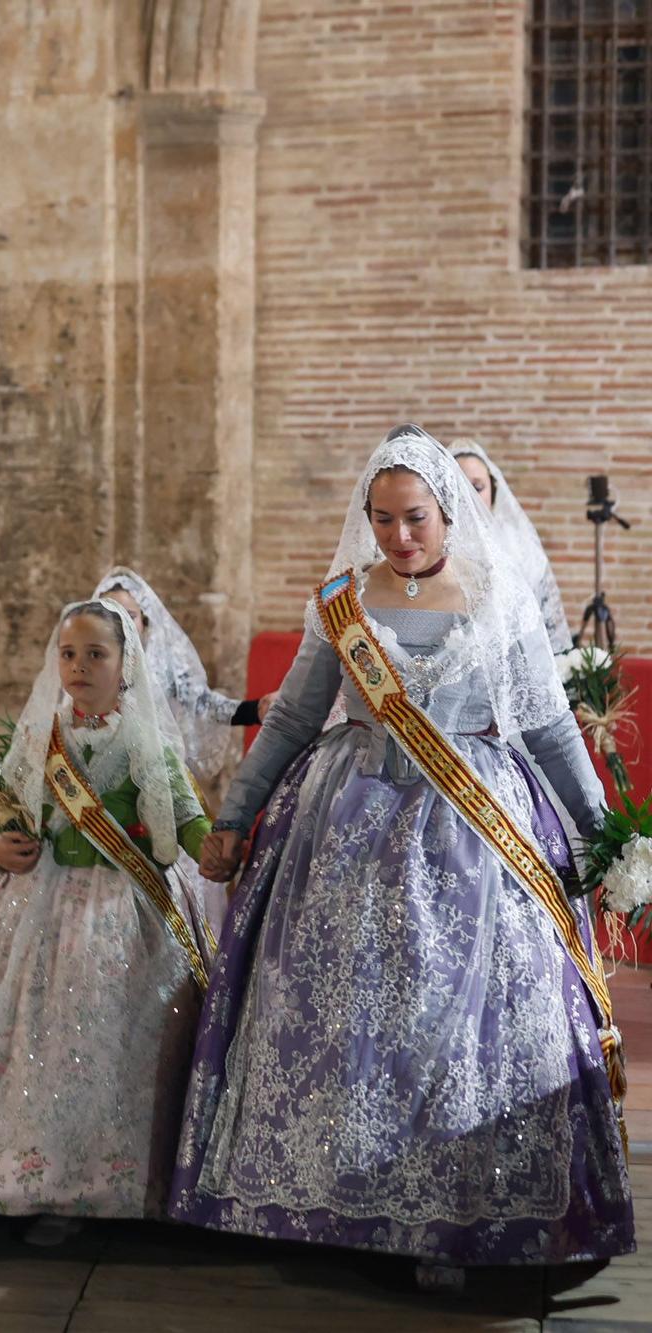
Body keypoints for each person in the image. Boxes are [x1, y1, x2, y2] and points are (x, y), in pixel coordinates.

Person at [174, 426, 632, 1290]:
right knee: (354, 1026)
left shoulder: (496, 601)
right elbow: (292, 719)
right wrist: (234, 817)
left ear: (448, 510)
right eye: (382, 520)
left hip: (476, 834)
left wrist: (605, 831)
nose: (399, 537)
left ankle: (462, 1216)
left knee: (463, 1032)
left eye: (415, 517)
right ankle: (344, 1210)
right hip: (348, 833)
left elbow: (549, 727)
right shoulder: (341, 601)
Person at [0, 597, 211, 1245]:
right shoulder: (39, 735)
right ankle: (23, 1176)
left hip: (120, 916)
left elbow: (185, 816)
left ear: (126, 665)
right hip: (35, 911)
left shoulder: (144, 739)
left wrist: (221, 844)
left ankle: (99, 1185)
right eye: (68, 653)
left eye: (96, 653)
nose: (79, 665)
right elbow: (2, 811)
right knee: (28, 1035)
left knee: (106, 1041)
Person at [92, 566, 271, 928]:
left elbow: (203, 704)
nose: (123, 626)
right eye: (109, 616)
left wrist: (256, 709)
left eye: (130, 616)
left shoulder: (164, 666)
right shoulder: (84, 666)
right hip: (105, 796)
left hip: (162, 786)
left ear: (144, 622)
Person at [449, 439, 574, 654]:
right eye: (459, 487)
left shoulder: (520, 546)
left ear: (493, 490)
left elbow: (547, 620)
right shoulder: (429, 545)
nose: (469, 497)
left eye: (477, 487)